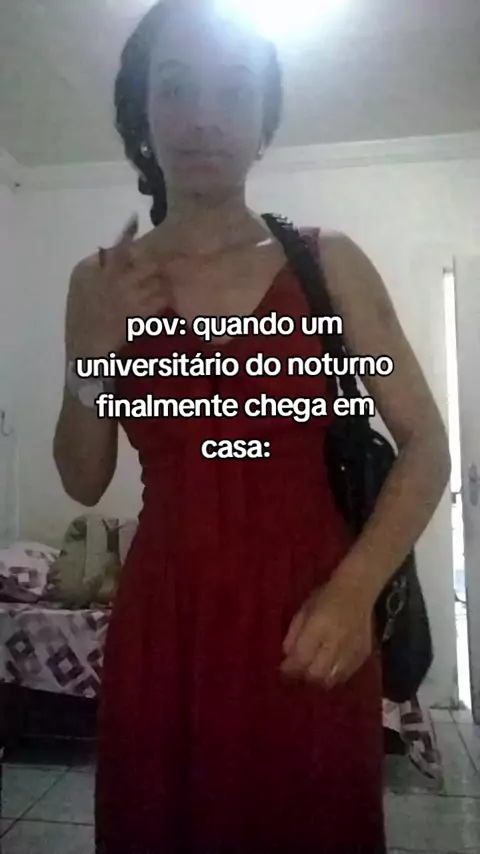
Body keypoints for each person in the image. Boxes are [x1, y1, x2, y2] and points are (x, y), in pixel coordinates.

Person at [53, 1, 451, 852]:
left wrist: (354, 592)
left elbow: (426, 445)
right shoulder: (101, 282)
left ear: (266, 121)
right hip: (166, 626)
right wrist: (89, 356)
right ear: (142, 115)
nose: (205, 117)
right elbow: (83, 480)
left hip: (313, 616)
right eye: (175, 88)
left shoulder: (327, 262)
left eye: (235, 91)